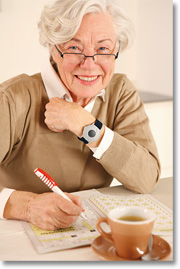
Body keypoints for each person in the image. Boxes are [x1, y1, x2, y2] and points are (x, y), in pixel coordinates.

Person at [0, 0, 161, 231]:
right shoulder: (11, 98)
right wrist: (26, 206)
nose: (89, 64)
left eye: (103, 49)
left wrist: (87, 126)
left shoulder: (121, 91)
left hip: (90, 235)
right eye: (74, 48)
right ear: (53, 50)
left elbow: (146, 178)